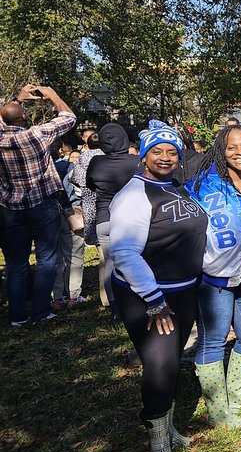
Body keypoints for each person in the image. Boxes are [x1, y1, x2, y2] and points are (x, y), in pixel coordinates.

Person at [109, 121, 207, 452]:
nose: (165, 157)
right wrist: (154, 300)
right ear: (143, 155)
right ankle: (157, 443)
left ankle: (168, 428)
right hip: (149, 298)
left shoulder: (175, 186)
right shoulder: (133, 196)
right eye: (157, 151)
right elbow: (124, 252)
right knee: (161, 365)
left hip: (183, 291)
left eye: (171, 152)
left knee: (172, 361)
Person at [189, 125, 241, 428]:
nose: (240, 152)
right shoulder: (202, 186)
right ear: (221, 152)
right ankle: (217, 410)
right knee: (213, 339)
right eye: (231, 147)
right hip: (213, 279)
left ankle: (238, 396)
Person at [0, 84, 76, 326]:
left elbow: (4, 118)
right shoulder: (35, 135)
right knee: (47, 259)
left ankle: (18, 316)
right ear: (24, 118)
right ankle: (41, 311)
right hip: (42, 203)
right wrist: (52, 95)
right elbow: (68, 117)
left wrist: (17, 99)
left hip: (11, 209)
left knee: (16, 264)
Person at [85, 124, 140, 310]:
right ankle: (137, 300)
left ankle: (114, 307)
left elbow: (90, 185)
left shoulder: (96, 162)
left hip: (105, 218)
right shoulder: (137, 162)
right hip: (133, 220)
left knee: (109, 263)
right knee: (138, 260)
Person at [51, 139, 86, 307]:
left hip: (47, 214)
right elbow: (80, 187)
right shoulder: (68, 167)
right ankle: (74, 295)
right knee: (75, 254)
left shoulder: (39, 167)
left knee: (53, 257)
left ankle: (56, 296)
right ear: (60, 151)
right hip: (70, 211)